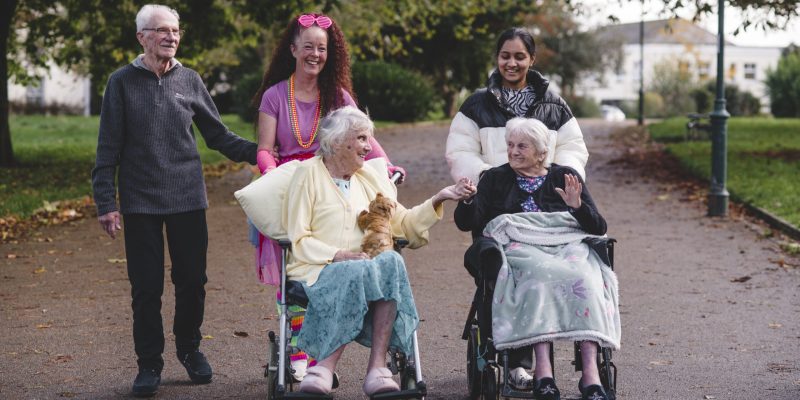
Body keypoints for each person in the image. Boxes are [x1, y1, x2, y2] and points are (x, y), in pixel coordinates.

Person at [91, 4, 258, 397]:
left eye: (176, 31)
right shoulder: (121, 82)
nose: (171, 37)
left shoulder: (190, 79)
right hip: (140, 201)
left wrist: (263, 151)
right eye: (162, 30)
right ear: (142, 37)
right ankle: (149, 363)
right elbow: (107, 149)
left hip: (187, 196)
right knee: (146, 287)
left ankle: (190, 349)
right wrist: (106, 202)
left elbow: (218, 136)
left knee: (192, 281)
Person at [249, 12, 405, 378]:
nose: (315, 55)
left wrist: (389, 166)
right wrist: (270, 172)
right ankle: (301, 349)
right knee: (299, 266)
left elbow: (364, 136)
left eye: (322, 48)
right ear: (293, 50)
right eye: (308, 47)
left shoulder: (337, 95)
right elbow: (265, 148)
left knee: (336, 259)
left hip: (334, 181)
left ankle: (321, 353)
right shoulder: (274, 96)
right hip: (292, 182)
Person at [285, 106, 475, 396]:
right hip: (319, 269)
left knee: (390, 261)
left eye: (368, 139)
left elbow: (403, 225)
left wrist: (440, 197)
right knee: (362, 267)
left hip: (369, 270)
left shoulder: (369, 178)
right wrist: (340, 255)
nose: (368, 146)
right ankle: (323, 366)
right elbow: (298, 238)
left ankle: (377, 368)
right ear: (337, 142)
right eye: (361, 138)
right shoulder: (306, 175)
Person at [455, 117, 619, 400]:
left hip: (566, 245)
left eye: (522, 146)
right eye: (510, 145)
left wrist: (577, 207)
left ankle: (591, 377)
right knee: (539, 277)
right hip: (520, 247)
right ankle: (544, 374)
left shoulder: (565, 177)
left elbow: (598, 227)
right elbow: (468, 223)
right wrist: (467, 199)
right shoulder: (495, 179)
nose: (513, 151)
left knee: (586, 278)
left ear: (542, 153)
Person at [446, 27, 589, 184]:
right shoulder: (475, 105)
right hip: (491, 201)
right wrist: (488, 179)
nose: (511, 63)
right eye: (505, 56)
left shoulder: (555, 106)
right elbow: (461, 151)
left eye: (519, 57)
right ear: (497, 58)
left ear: (532, 59)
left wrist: (555, 182)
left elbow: (572, 149)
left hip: (544, 203)